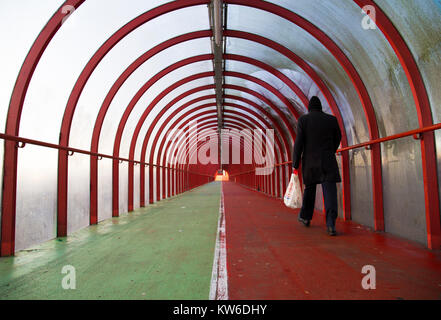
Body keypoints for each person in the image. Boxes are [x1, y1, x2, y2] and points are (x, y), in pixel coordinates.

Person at [292, 96, 342, 236]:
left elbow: (299, 144)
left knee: (310, 190)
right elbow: (338, 137)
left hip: (310, 162)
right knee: (330, 192)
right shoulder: (331, 120)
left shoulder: (304, 120)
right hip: (327, 160)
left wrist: (295, 163)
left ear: (309, 108)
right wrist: (330, 151)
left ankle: (306, 217)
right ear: (320, 107)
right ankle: (331, 224)